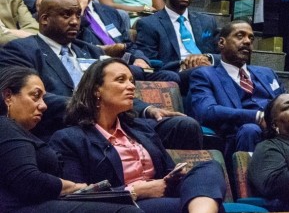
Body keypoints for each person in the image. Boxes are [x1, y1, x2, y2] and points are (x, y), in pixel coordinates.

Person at [0, 0, 200, 146]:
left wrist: (148, 109)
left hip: (112, 121)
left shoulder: (90, 51)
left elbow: (115, 88)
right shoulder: (20, 50)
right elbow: (26, 97)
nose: (74, 21)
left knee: (183, 126)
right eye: (66, 15)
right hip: (67, 126)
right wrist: (89, 106)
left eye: (78, 15)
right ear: (44, 19)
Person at [50, 58, 226, 212]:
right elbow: (78, 197)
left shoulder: (141, 129)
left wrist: (175, 176)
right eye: (121, 80)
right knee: (208, 204)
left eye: (132, 80)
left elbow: (168, 171)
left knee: (209, 168)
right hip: (126, 205)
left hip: (162, 195)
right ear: (97, 90)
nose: (132, 86)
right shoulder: (69, 139)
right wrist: (138, 190)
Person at [188, 20, 289, 155]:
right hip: (249, 134)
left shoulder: (267, 73)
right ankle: (251, 193)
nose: (247, 41)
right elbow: (207, 111)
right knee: (250, 129)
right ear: (221, 43)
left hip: (286, 133)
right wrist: (257, 116)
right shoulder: (205, 74)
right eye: (240, 36)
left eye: (251, 38)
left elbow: (288, 105)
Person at [0, 65, 142, 213]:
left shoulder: (16, 131)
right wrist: (75, 187)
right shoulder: (4, 126)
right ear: (8, 96)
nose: (43, 105)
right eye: (36, 96)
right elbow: (29, 180)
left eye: (43, 98)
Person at [61, 0, 178, 85]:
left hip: (125, 63)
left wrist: (139, 58)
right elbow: (68, 39)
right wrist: (79, 7)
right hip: (94, 65)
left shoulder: (109, 12)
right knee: (131, 72)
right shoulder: (60, 10)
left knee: (171, 76)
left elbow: (129, 44)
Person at [134, 0, 217, 88]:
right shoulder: (149, 24)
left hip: (207, 68)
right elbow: (150, 62)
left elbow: (221, 53)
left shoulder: (207, 21)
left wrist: (207, 57)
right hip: (177, 73)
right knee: (204, 72)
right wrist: (185, 63)